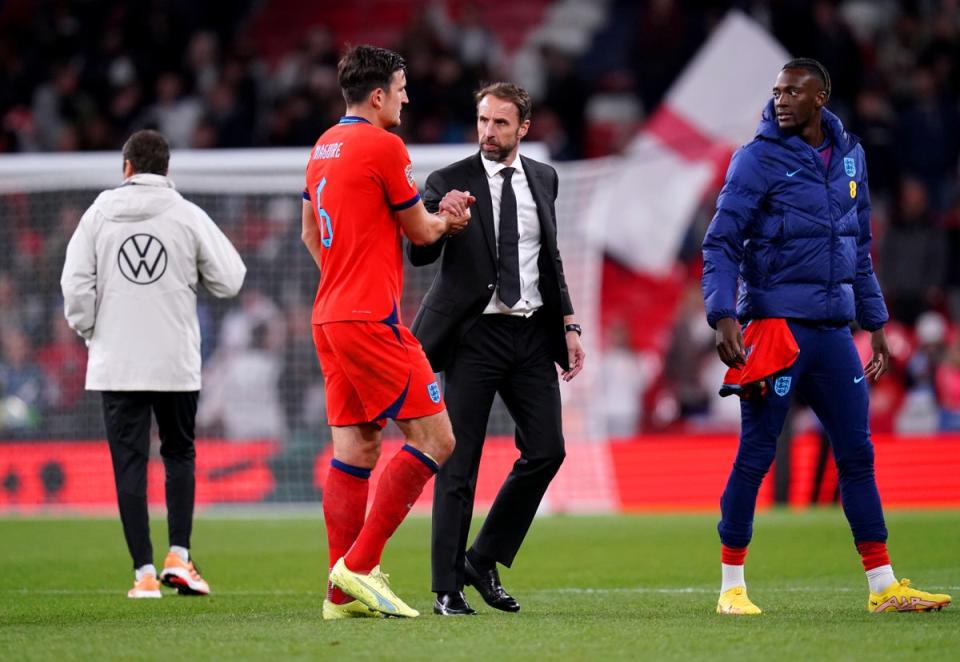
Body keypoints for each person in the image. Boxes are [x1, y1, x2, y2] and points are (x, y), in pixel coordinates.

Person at [701, 58, 951, 615]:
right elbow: (719, 243)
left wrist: (877, 324)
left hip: (836, 331)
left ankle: (883, 586)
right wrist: (721, 314)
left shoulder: (852, 156)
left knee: (857, 457)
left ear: (822, 98)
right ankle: (730, 588)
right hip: (775, 329)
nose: (781, 100)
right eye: (776, 92)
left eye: (793, 92)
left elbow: (857, 248)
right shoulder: (756, 159)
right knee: (756, 454)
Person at [301, 45, 471, 620]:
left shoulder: (321, 147)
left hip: (328, 314)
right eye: (401, 87)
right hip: (370, 318)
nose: (406, 96)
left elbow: (309, 233)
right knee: (437, 440)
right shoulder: (383, 145)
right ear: (377, 95)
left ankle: (337, 596)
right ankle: (359, 566)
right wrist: (451, 217)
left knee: (356, 449)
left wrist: (344, 276)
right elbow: (421, 232)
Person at [408, 82, 585, 616]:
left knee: (548, 450)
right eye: (483, 121)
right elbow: (418, 255)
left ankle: (482, 558)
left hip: (532, 333)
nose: (488, 132)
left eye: (500, 123)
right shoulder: (449, 181)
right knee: (458, 462)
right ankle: (446, 588)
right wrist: (440, 218)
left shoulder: (544, 178)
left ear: (523, 128)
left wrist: (570, 324)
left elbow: (548, 257)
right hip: (473, 338)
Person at [60, 129, 246, 598]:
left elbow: (75, 287)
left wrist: (91, 333)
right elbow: (231, 279)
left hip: (116, 361)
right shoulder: (186, 215)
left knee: (129, 464)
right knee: (179, 453)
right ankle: (179, 557)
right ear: (167, 169)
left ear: (126, 167)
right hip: (174, 361)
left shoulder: (98, 215)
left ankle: (143, 573)